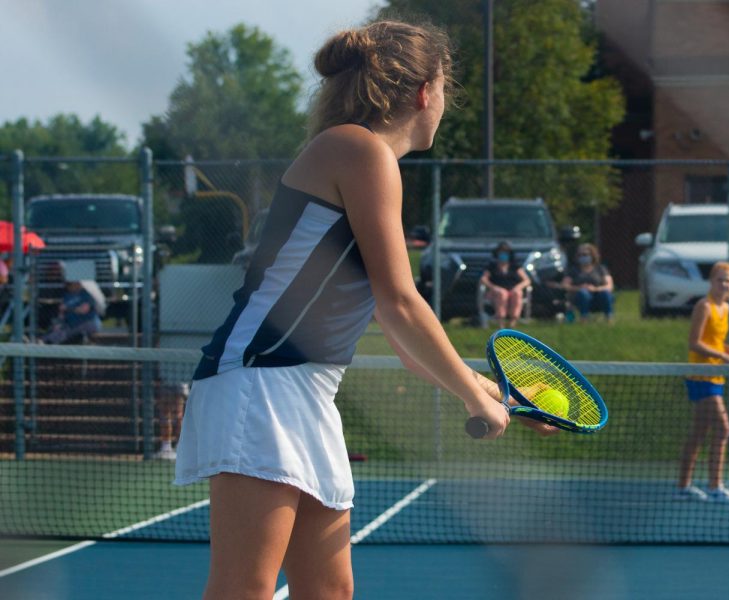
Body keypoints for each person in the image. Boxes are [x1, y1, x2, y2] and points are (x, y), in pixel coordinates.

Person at [174, 20, 551, 600]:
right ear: (425, 91)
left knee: (329, 591)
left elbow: (401, 335)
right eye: (446, 88)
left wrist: (486, 391)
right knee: (241, 589)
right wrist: (477, 396)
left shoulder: (364, 157)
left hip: (304, 391)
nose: (446, 103)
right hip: (260, 384)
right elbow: (401, 301)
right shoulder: (358, 149)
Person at [676, 261, 729, 503]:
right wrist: (725, 356)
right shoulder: (703, 306)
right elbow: (695, 343)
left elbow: (713, 342)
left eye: (728, 280)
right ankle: (715, 486)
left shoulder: (725, 308)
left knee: (698, 433)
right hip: (700, 376)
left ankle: (683, 487)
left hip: (716, 376)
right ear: (711, 282)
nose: (724, 284)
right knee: (723, 429)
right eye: (720, 279)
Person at [479, 241, 531, 328]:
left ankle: (513, 323)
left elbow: (527, 280)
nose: (503, 255)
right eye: (501, 252)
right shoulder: (492, 267)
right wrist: (494, 287)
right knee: (502, 294)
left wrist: (517, 287)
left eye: (505, 253)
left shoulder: (515, 267)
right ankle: (501, 323)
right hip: (496, 292)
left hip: (512, 291)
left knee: (517, 293)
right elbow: (483, 279)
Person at [559, 243, 615, 323]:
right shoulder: (573, 270)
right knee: (583, 293)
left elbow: (609, 286)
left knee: (605, 293)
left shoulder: (600, 269)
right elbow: (565, 285)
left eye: (585, 254)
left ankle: (609, 318)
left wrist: (595, 289)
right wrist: (580, 288)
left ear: (592, 255)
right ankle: (584, 318)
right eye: (580, 255)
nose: (583, 257)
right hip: (579, 297)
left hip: (598, 296)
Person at [41, 280, 101, 344]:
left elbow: (84, 310)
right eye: (67, 284)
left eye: (70, 284)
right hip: (72, 324)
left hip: (87, 323)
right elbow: (62, 313)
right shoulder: (67, 296)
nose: (68, 286)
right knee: (56, 329)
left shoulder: (86, 294)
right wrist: (58, 323)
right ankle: (43, 341)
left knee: (65, 332)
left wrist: (68, 309)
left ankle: (46, 342)